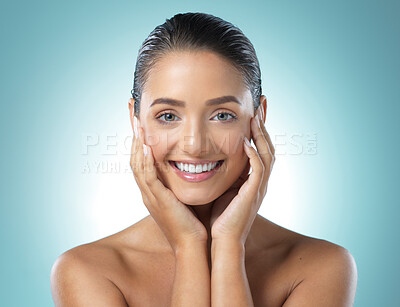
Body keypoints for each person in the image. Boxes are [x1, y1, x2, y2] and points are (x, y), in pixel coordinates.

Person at [50, 12, 357, 306]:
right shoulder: (86, 271)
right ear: (136, 120)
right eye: (168, 116)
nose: (195, 145)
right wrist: (188, 245)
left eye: (222, 115)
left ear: (258, 117)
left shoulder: (322, 267)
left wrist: (228, 246)